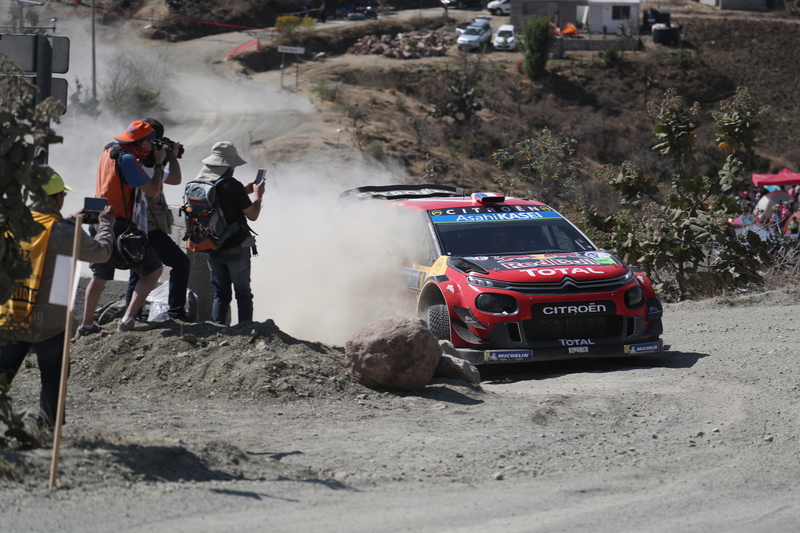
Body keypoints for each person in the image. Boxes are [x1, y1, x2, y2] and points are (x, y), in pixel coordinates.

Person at [0, 174, 115, 430]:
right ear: (55, 199)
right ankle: (47, 430)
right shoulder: (63, 233)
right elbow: (103, 253)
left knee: (2, 375)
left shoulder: (13, 224)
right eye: (62, 194)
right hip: (50, 322)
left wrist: (72, 221)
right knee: (53, 377)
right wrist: (106, 224)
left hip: (11, 313)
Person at [77, 121, 166, 336]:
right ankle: (127, 320)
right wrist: (159, 163)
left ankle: (86, 325)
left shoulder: (108, 151)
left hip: (99, 219)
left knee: (99, 276)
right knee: (153, 269)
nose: (151, 147)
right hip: (118, 224)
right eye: (150, 144)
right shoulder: (127, 159)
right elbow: (153, 190)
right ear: (144, 142)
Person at [125, 118, 191, 321]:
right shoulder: (142, 164)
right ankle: (175, 313)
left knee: (140, 269)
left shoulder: (132, 159)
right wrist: (170, 157)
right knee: (181, 264)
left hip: (138, 224)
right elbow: (176, 179)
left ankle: (132, 313)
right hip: (146, 225)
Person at [195, 141, 265, 325]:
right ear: (230, 165)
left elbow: (220, 203)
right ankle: (244, 330)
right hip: (235, 246)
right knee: (243, 294)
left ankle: (218, 329)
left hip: (210, 245)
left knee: (221, 294)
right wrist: (258, 195)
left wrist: (244, 191)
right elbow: (253, 214)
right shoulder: (232, 185)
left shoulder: (201, 183)